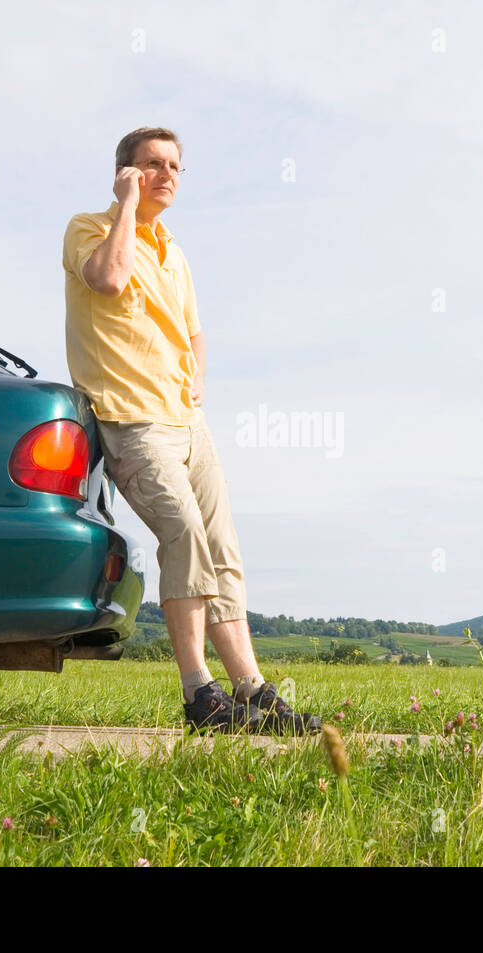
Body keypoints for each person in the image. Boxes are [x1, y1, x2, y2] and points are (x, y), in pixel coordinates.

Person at [62, 126, 321, 735]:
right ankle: (198, 693)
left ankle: (253, 692)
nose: (167, 175)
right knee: (184, 535)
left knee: (222, 549)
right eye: (152, 165)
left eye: (175, 166)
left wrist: (199, 376)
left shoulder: (175, 253)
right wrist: (127, 206)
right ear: (125, 173)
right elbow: (108, 280)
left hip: (187, 421)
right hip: (132, 419)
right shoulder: (90, 228)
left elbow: (194, 331)